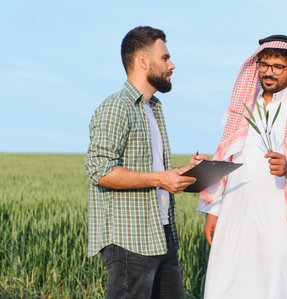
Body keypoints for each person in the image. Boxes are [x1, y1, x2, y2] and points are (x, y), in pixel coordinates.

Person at [197, 35, 287, 298]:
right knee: (228, 282)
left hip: (280, 220)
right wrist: (214, 210)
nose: (269, 72)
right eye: (264, 64)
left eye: (278, 66)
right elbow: (227, 157)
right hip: (236, 212)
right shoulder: (244, 105)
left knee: (277, 285)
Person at [85, 26, 208, 298]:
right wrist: (161, 178)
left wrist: (181, 172)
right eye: (165, 58)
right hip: (130, 242)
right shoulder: (117, 107)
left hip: (161, 234)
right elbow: (99, 171)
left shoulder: (152, 109)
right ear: (142, 60)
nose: (171, 65)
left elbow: (153, 172)